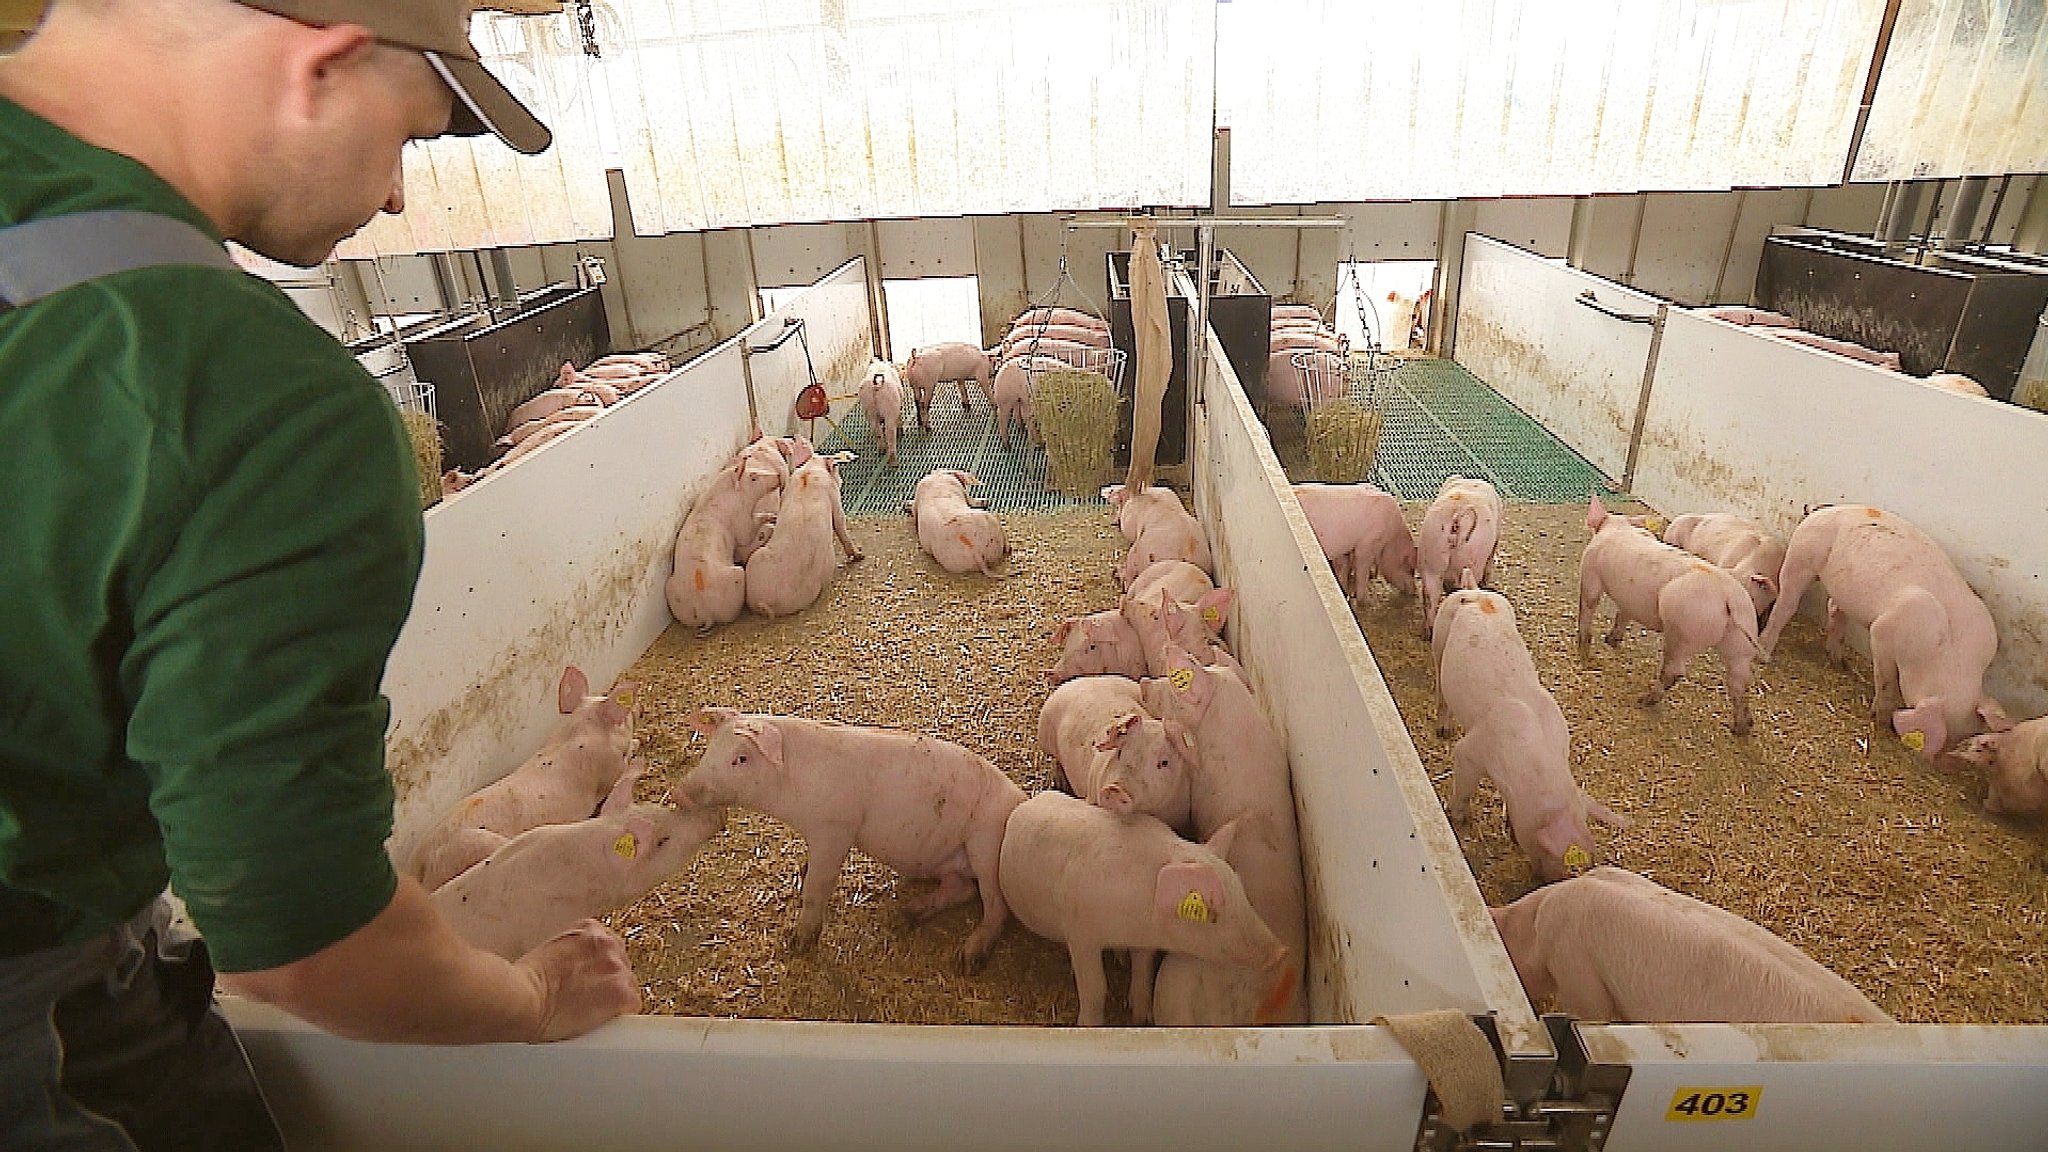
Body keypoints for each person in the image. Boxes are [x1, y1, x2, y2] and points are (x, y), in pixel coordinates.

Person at [0, 2, 639, 1148]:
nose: (396, 197)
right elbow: (304, 943)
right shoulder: (257, 397)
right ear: (323, 67)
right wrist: (531, 998)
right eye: (409, 134)